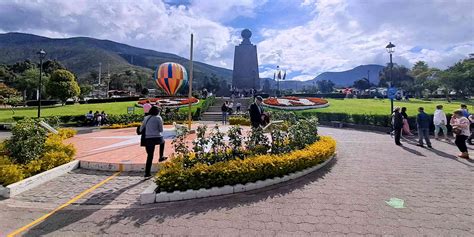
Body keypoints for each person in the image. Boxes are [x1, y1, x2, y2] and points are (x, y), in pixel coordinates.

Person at [139, 106, 166, 177]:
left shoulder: (146, 118)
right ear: (157, 112)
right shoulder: (158, 118)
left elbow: (141, 129)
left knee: (150, 156)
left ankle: (147, 173)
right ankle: (161, 156)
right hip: (157, 137)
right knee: (163, 142)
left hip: (147, 138)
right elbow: (161, 130)